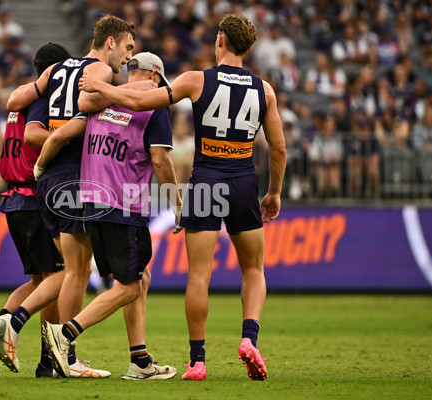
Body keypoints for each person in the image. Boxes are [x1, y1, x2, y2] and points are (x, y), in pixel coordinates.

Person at [78, 12, 287, 381]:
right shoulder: (264, 89)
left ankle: (197, 361)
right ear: (249, 47)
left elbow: (143, 103)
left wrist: (104, 90)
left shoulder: (196, 79)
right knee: (253, 269)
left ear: (219, 40)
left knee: (199, 276)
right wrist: (273, 193)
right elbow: (279, 149)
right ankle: (249, 338)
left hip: (206, 179)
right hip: (242, 180)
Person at [0, 14, 137, 378]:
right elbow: (88, 108)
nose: (128, 58)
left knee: (69, 270)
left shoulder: (56, 69)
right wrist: (119, 99)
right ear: (110, 42)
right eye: (128, 48)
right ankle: (56, 350)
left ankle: (44, 351)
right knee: (75, 270)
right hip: (73, 173)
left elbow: (17, 99)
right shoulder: (100, 72)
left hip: (50, 178)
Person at [38, 52, 180, 380]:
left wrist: (40, 168)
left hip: (92, 204)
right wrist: (177, 203)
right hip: (124, 204)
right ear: (156, 78)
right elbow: (160, 160)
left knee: (135, 280)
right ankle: (66, 334)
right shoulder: (155, 107)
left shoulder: (100, 100)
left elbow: (60, 134)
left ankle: (140, 361)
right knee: (131, 286)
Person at [0, 42, 70, 377]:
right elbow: (35, 137)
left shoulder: (20, 100)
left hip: (13, 199)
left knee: (40, 280)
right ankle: (45, 356)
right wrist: (69, 137)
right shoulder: (44, 101)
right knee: (62, 275)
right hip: (34, 197)